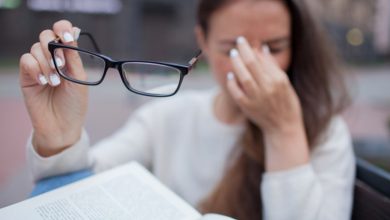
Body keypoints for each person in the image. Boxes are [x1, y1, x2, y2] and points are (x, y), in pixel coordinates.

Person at [19, 0, 355, 219]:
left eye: (274, 47)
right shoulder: (168, 115)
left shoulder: (323, 132)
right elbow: (86, 189)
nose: (255, 64)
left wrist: (284, 130)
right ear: (203, 43)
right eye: (233, 49)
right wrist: (60, 136)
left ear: (296, 47)